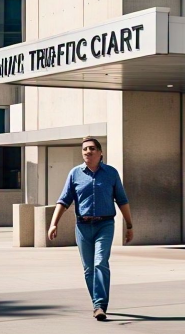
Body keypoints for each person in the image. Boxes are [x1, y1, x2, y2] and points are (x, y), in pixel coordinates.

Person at [48, 137, 133, 321]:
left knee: (100, 262)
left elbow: (122, 200)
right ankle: (97, 302)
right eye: (85, 149)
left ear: (100, 152)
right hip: (82, 226)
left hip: (105, 224)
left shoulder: (111, 173)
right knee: (88, 269)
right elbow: (63, 200)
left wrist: (129, 225)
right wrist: (54, 223)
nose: (88, 151)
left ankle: (99, 305)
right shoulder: (75, 174)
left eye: (92, 148)